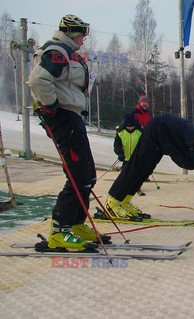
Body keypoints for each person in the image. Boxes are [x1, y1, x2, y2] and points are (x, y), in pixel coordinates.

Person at [28, 14, 109, 250]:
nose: (85, 39)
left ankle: (75, 224)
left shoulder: (68, 51)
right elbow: (38, 80)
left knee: (88, 174)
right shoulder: (58, 50)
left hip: (71, 115)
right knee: (78, 174)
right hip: (63, 116)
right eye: (83, 34)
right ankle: (59, 231)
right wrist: (51, 106)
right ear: (74, 32)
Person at [105, 114, 194, 226]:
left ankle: (124, 201)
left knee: (145, 170)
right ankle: (113, 202)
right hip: (158, 129)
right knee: (137, 166)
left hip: (163, 137)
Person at [114, 113, 144, 195]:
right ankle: (123, 188)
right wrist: (120, 153)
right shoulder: (120, 132)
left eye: (132, 126)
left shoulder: (140, 131)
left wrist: (142, 153)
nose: (130, 128)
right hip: (125, 157)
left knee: (137, 173)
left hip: (136, 157)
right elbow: (117, 145)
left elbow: (144, 144)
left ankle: (137, 188)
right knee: (125, 173)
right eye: (128, 126)